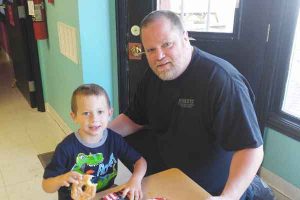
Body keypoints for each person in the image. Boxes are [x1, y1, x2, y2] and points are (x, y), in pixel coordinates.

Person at [109, 10, 264, 199]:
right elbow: (134, 118)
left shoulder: (222, 80)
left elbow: (252, 148)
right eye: (150, 50)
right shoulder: (153, 75)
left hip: (212, 188)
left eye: (167, 44)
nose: (159, 56)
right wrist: (94, 137)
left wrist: (227, 197)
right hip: (170, 173)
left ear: (185, 37)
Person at [42, 84, 147, 200]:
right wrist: (60, 180)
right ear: (74, 117)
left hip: (105, 194)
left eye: (100, 112)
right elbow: (46, 186)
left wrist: (135, 180)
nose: (94, 119)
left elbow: (140, 161)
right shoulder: (66, 148)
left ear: (109, 113)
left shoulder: (114, 140)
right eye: (86, 113)